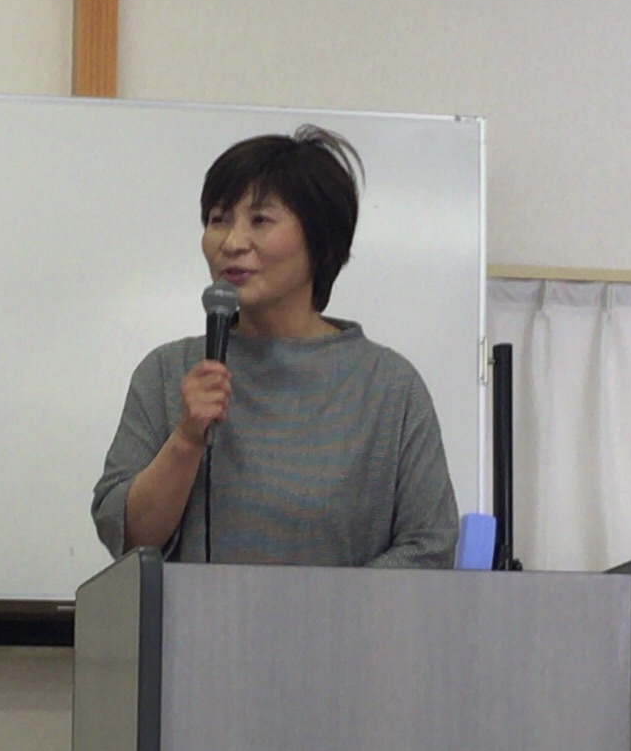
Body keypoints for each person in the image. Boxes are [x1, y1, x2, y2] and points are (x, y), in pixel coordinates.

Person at [91, 127, 459, 568]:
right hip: (197, 617)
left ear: (321, 240)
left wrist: (317, 605)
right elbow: (127, 537)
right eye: (218, 219)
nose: (231, 242)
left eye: (260, 220)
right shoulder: (169, 372)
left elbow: (429, 546)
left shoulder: (389, 386)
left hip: (344, 618)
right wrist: (186, 439)